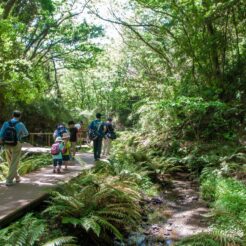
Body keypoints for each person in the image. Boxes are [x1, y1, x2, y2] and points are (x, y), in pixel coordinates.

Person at [0, 110, 29, 186]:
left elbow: (1, 134)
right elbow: (26, 133)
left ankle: (17, 177)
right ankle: (9, 180)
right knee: (14, 162)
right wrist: (20, 136)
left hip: (6, 144)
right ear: (20, 116)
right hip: (16, 144)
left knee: (10, 161)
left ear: (12, 115)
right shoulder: (20, 124)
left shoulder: (6, 123)